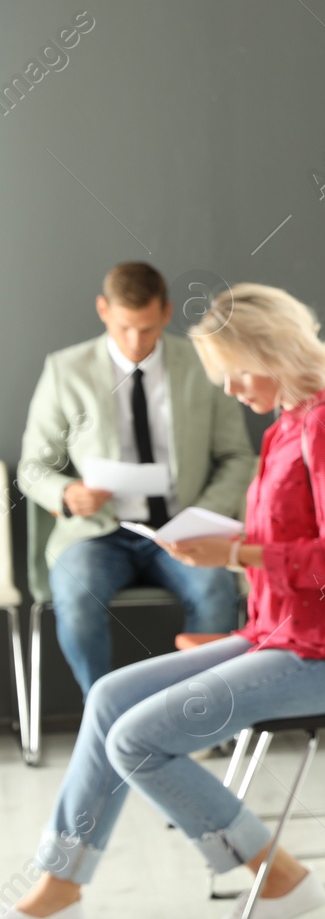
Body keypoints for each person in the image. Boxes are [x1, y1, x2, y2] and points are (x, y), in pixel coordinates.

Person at [0, 284, 325, 919]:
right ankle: (59, 887)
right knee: (108, 697)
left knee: (136, 739)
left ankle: (280, 877)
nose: (233, 390)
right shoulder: (291, 423)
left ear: (275, 351)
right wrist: (228, 543)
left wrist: (234, 549)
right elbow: (295, 540)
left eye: (237, 372)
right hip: (276, 633)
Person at [18, 261, 254, 699]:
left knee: (215, 591)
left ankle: (188, 716)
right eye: (125, 328)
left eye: (146, 329)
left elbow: (237, 456)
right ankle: (103, 717)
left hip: (182, 528)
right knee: (75, 595)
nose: (135, 342)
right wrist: (66, 493)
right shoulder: (65, 370)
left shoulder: (202, 364)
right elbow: (33, 467)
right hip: (97, 533)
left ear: (166, 313)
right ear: (103, 310)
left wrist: (204, 514)